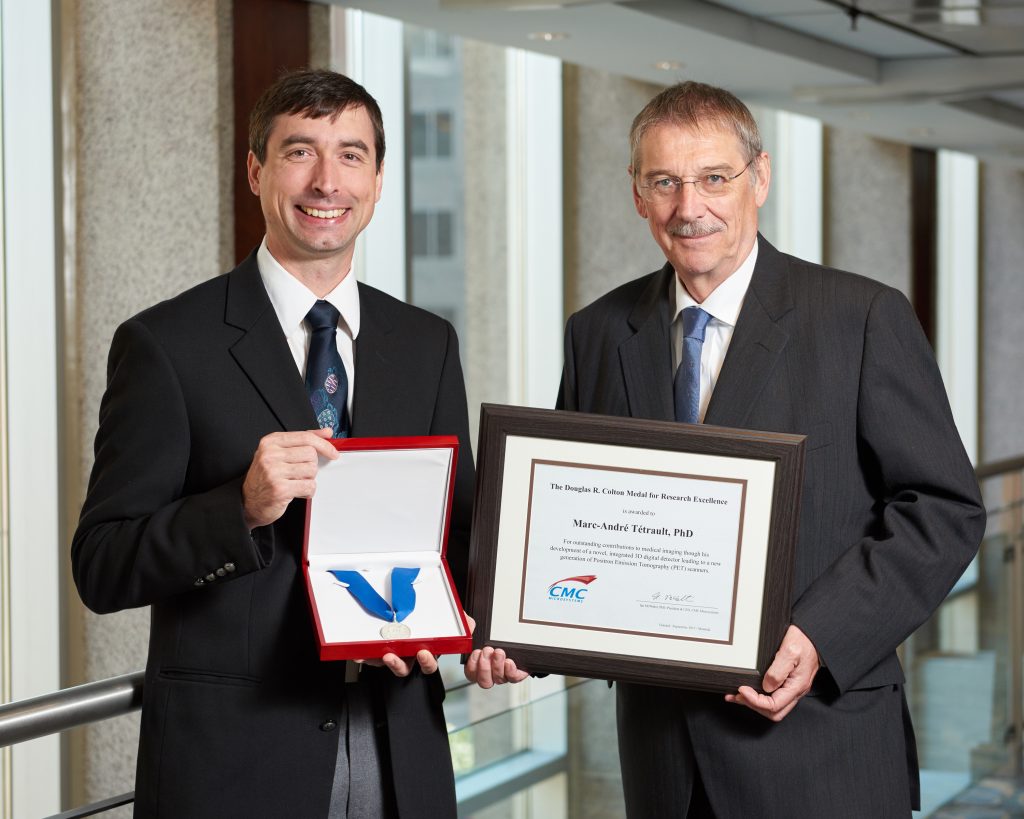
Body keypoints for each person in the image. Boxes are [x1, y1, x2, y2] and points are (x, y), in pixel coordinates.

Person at [72, 69, 505, 818]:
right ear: (256, 170)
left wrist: (485, 624)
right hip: (235, 760)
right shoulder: (166, 345)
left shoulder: (425, 343)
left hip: (398, 741)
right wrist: (238, 507)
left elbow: (457, 531)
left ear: (376, 179)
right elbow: (102, 565)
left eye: (351, 154)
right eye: (300, 151)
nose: (326, 180)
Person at [556, 81, 986, 817]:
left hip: (823, 748)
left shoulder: (862, 318)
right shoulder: (598, 331)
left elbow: (942, 509)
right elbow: (574, 511)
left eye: (714, 178)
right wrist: (528, 626)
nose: (690, 207)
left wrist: (821, 635)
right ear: (636, 194)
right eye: (665, 181)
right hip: (664, 759)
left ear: (760, 177)